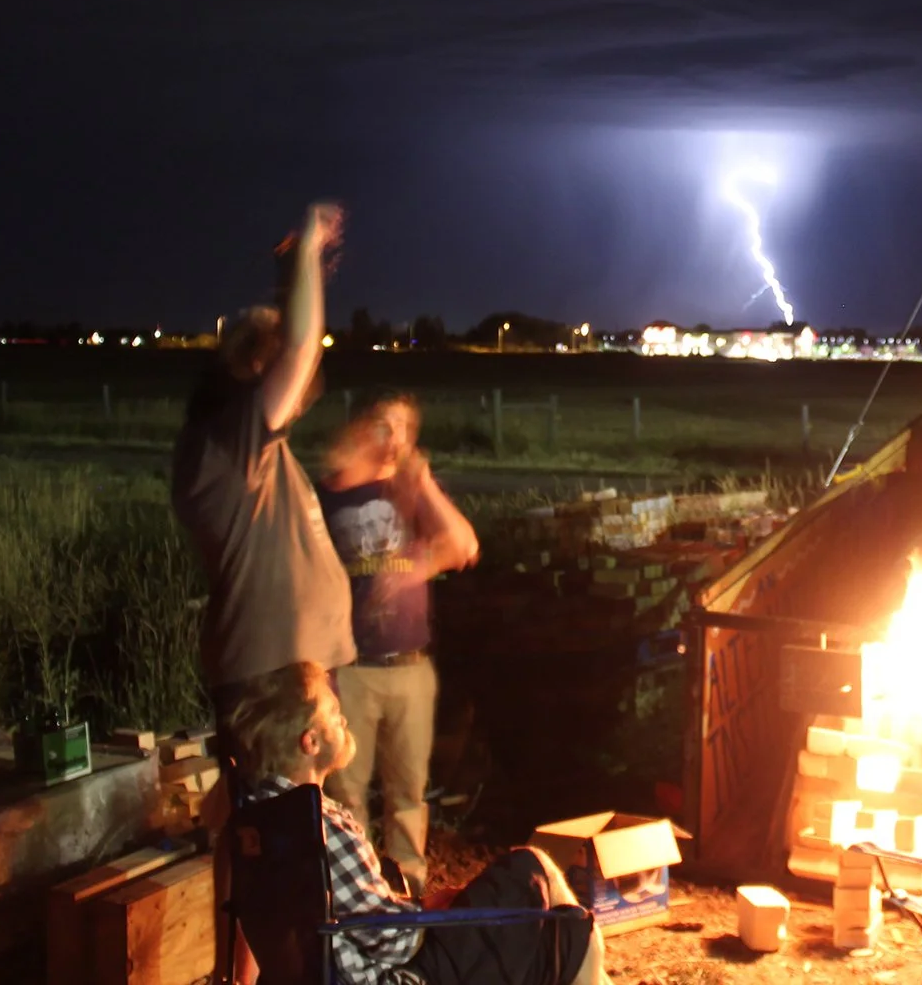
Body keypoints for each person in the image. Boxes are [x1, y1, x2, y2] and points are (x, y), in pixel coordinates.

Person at [171, 201, 354, 981]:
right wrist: (308, 250)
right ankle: (254, 975)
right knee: (266, 842)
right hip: (271, 679)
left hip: (296, 674)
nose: (300, 385)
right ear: (248, 369)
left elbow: (294, 353)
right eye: (275, 365)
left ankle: (311, 958)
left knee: (295, 840)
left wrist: (294, 273)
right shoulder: (224, 447)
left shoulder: (250, 449)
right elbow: (300, 349)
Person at [228, 662, 604, 985]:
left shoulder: (260, 818)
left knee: (562, 937)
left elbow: (355, 914)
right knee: (534, 872)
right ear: (310, 742)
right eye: (332, 711)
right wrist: (434, 914)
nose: (343, 717)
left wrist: (423, 906)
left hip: (343, 970)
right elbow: (395, 941)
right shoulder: (315, 830)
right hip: (402, 977)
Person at [318, 395, 482, 892]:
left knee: (408, 791)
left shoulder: (413, 496)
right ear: (362, 429)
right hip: (350, 665)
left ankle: (408, 889)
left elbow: (465, 545)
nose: (394, 437)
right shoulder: (327, 496)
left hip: (411, 666)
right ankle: (356, 892)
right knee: (346, 792)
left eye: (405, 426)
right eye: (383, 424)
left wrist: (422, 485)